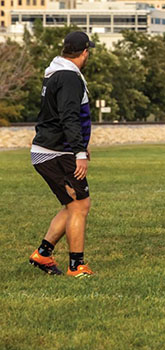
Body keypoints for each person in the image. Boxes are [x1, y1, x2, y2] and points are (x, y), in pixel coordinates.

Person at [28, 31, 96, 277]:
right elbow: (69, 115)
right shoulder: (69, 77)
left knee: (72, 205)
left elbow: (61, 114)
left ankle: (43, 254)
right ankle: (76, 266)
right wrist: (78, 151)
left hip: (50, 149)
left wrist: (81, 143)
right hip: (57, 151)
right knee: (80, 206)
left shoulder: (56, 73)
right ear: (85, 52)